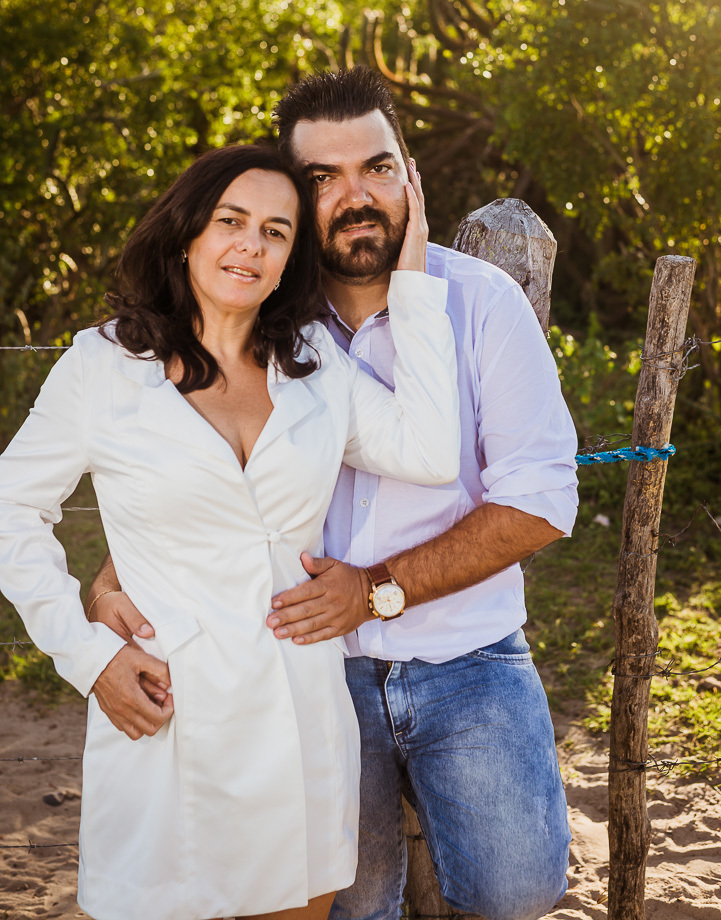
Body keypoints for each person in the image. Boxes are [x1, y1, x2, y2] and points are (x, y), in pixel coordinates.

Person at [89, 69, 580, 920]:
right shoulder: (254, 311)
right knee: (336, 902)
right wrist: (111, 577)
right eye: (322, 179)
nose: (356, 197)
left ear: (411, 178)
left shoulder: (481, 304)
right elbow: (192, 468)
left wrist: (376, 590)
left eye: (377, 168)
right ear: (290, 191)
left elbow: (539, 500)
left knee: (518, 890)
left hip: (467, 655)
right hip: (297, 661)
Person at [0, 143, 462, 920]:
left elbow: (429, 450)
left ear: (290, 262)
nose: (251, 245)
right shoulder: (101, 367)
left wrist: (410, 277)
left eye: (277, 232)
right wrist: (89, 653)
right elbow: (10, 508)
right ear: (187, 234)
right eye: (232, 221)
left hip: (301, 719)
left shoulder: (314, 363)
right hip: (168, 714)